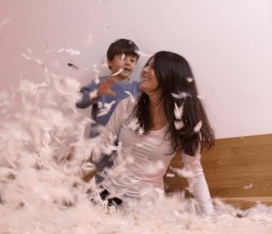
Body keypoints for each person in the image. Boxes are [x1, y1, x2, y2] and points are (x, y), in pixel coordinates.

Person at [94, 51, 215, 216]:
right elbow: (102, 143)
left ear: (171, 77)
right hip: (109, 195)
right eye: (147, 65)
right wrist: (79, 152)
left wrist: (210, 215)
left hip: (148, 207)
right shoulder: (127, 106)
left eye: (153, 67)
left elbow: (194, 171)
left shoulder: (185, 123)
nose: (144, 70)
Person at [76, 39, 140, 180]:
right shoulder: (100, 83)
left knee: (123, 181)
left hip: (127, 148)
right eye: (123, 58)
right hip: (101, 145)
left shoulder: (137, 88)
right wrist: (97, 93)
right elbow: (78, 101)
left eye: (132, 60)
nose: (128, 63)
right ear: (110, 62)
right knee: (101, 180)